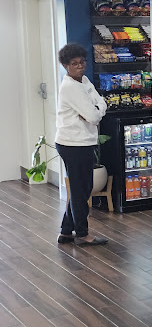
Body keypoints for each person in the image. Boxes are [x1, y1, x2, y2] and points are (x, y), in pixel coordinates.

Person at [55, 43, 108, 246]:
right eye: (74, 63)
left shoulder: (84, 80)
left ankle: (66, 232)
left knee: (82, 188)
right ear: (66, 66)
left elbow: (99, 104)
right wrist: (95, 111)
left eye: (82, 62)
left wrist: (97, 109)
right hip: (73, 144)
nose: (80, 66)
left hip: (82, 142)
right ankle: (82, 234)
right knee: (81, 190)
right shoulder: (70, 87)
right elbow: (93, 117)